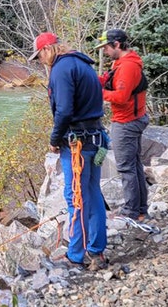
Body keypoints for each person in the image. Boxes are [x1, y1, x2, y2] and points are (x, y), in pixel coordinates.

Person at [30, 31, 108, 270]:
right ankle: (96, 249)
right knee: (93, 193)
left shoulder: (62, 70)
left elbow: (63, 110)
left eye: (39, 56)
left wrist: (54, 138)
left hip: (78, 145)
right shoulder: (83, 64)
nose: (40, 61)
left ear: (47, 50)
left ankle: (75, 254)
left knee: (76, 197)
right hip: (96, 139)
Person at [94, 28, 150, 222]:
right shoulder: (122, 63)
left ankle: (131, 211)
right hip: (132, 119)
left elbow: (121, 97)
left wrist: (97, 93)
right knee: (135, 165)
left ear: (117, 45)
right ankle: (140, 209)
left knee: (126, 168)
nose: (105, 52)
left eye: (107, 48)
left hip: (126, 122)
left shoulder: (127, 67)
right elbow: (112, 82)